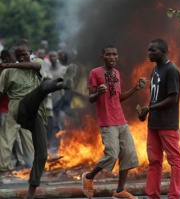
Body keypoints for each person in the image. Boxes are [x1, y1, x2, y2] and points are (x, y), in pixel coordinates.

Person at [0, 39, 77, 199]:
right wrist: (4, 69)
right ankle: (62, 85)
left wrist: (9, 64)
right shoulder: (7, 73)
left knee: (42, 154)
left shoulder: (38, 62)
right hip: (18, 109)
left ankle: (30, 193)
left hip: (36, 113)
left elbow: (34, 66)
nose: (21, 58)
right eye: (18, 55)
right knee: (43, 87)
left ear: (31, 53)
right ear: (15, 55)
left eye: (24, 54)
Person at [81, 45, 145, 199]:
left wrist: (135, 88)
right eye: (108, 54)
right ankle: (89, 177)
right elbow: (90, 98)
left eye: (114, 54)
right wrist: (97, 93)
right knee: (111, 154)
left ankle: (119, 191)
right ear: (102, 57)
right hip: (107, 122)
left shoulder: (116, 73)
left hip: (121, 120)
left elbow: (118, 98)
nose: (112, 57)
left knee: (128, 153)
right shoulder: (95, 73)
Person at [137, 39, 180, 199]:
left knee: (175, 160)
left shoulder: (171, 70)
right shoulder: (156, 70)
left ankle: (174, 195)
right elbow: (154, 97)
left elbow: (173, 98)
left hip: (167, 123)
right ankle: (152, 195)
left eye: (153, 51)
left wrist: (149, 108)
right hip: (154, 123)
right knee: (154, 160)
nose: (149, 53)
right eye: (148, 50)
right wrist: (145, 113)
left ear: (163, 52)